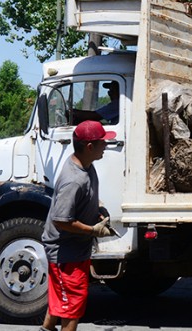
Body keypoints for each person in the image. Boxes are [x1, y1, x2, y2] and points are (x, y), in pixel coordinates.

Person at [40, 120, 116, 331]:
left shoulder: (85, 164)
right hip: (66, 253)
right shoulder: (74, 180)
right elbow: (61, 220)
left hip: (75, 250)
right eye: (103, 142)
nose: (106, 146)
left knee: (61, 299)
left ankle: (46, 328)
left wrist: (97, 209)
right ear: (89, 146)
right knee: (72, 308)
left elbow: (81, 200)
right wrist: (93, 230)